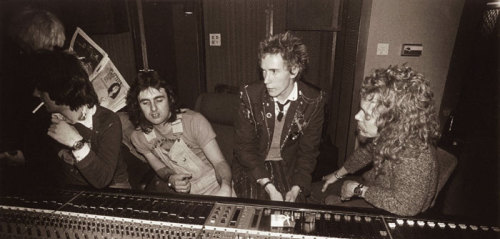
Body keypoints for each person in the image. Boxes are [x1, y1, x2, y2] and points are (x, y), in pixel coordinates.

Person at [310, 64, 441, 216]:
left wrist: (357, 189)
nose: (357, 116)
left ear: (393, 121)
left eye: (366, 114)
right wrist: (338, 174)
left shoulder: (415, 158)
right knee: (312, 191)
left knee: (322, 211)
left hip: (390, 211)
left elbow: (405, 206)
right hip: (374, 187)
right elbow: (365, 153)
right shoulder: (389, 135)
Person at [232, 31, 325, 202]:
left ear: (294, 70)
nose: (266, 80)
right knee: (257, 213)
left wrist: (297, 186)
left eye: (274, 71)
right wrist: (269, 186)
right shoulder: (250, 95)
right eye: (264, 71)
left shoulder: (313, 101)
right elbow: (244, 148)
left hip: (287, 166)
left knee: (295, 216)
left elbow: (308, 152)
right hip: (252, 166)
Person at [30, 50, 130, 189]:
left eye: (41, 89)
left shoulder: (107, 121)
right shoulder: (52, 116)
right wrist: (61, 152)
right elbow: (51, 144)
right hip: (74, 192)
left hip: (112, 193)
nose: (36, 94)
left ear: (59, 89)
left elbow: (103, 179)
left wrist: (76, 142)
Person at [127, 70, 233, 197]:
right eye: (145, 103)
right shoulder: (139, 137)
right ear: (138, 106)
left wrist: (226, 188)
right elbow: (159, 168)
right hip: (184, 195)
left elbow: (219, 162)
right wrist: (171, 178)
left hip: (217, 186)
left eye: (159, 100)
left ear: (170, 99)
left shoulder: (194, 121)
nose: (153, 108)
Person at [0, 7, 66, 172]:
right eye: (51, 46)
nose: (55, 51)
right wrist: (29, 157)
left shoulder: (32, 66)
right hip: (28, 160)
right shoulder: (19, 75)